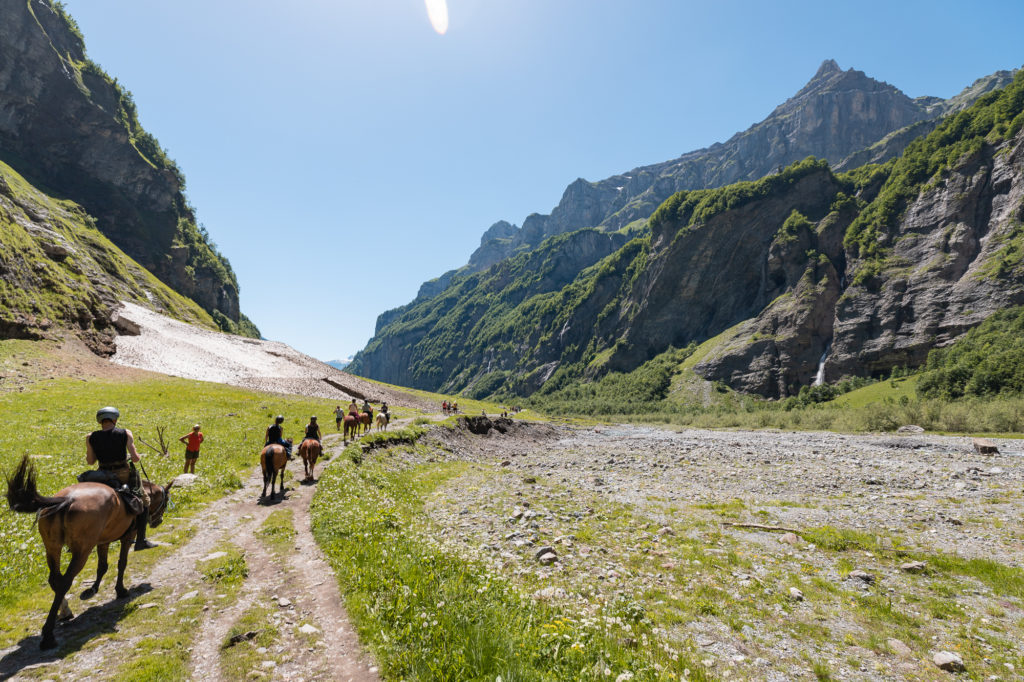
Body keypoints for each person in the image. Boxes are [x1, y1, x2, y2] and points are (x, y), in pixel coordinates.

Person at [86, 406, 156, 551]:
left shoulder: (90, 437)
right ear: (115, 419)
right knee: (145, 500)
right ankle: (141, 540)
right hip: (122, 473)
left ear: (100, 421)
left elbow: (91, 461)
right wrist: (133, 455)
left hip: (102, 474)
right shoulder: (125, 433)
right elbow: (135, 459)